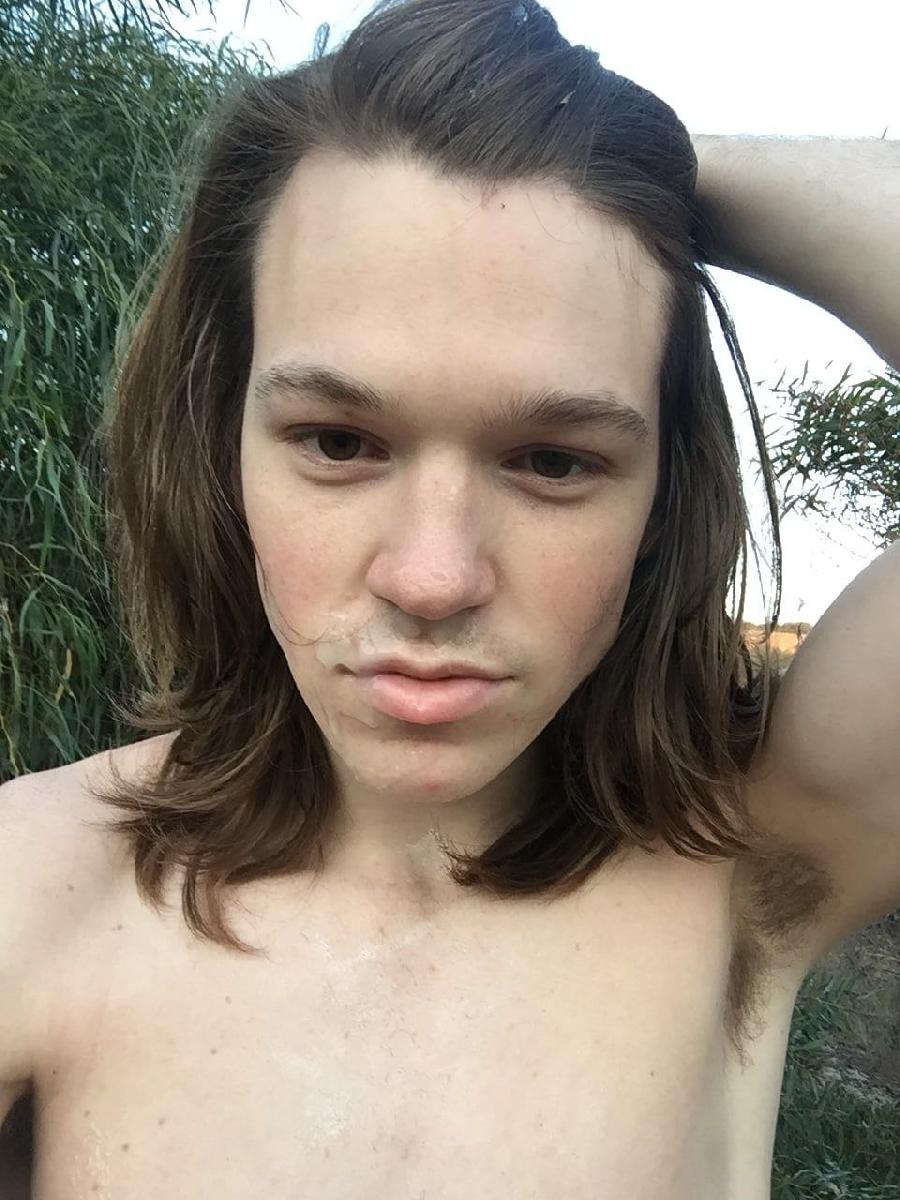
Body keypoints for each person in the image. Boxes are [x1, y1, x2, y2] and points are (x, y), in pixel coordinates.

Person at [2, 0, 898, 1195]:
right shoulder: (29, 891)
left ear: (662, 501)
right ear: (218, 444)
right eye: (338, 442)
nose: (433, 579)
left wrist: (644, 163)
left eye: (554, 462)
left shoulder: (749, 867)